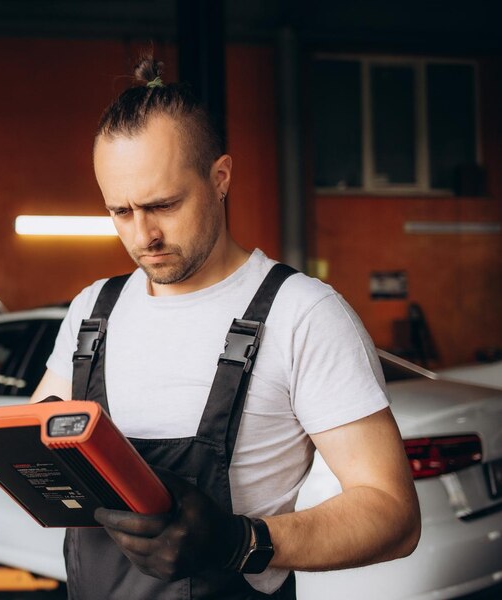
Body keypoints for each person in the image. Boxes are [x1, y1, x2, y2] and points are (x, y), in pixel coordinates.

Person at [30, 57, 420, 599]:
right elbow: (38, 436)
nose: (143, 235)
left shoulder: (301, 313)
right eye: (120, 211)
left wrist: (241, 541)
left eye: (163, 204)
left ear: (220, 178)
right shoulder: (95, 309)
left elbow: (392, 512)